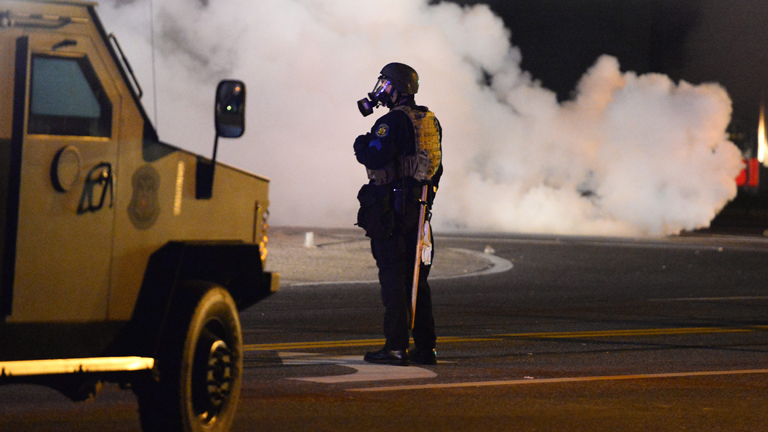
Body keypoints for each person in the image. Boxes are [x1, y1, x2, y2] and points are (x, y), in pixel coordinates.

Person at [353, 62, 443, 366]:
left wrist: (361, 142)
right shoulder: (429, 120)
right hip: (418, 211)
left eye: (384, 83)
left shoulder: (391, 122)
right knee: (417, 280)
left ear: (395, 87)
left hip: (393, 210)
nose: (381, 89)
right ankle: (425, 346)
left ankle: (395, 347)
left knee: (393, 278)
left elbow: (373, 154)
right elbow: (437, 168)